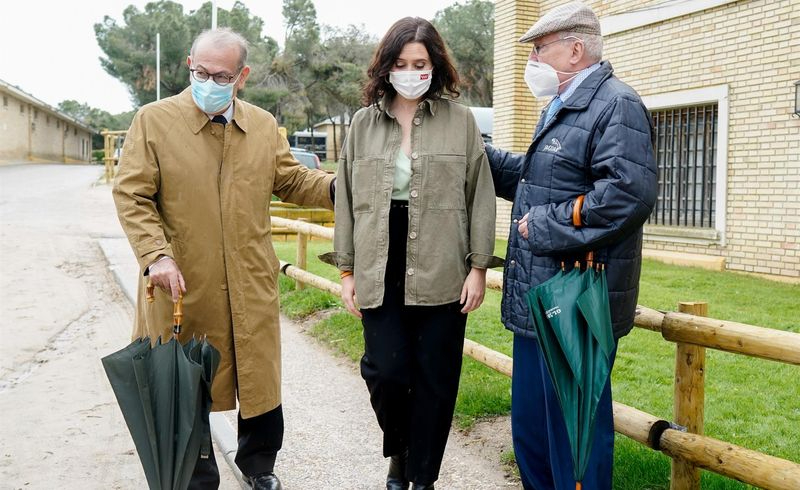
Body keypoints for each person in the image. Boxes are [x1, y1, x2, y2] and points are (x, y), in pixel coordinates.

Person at [112, 28, 335, 490]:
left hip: (250, 275)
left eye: (221, 75)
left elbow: (292, 181)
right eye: (200, 71)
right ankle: (196, 473)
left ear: (243, 76)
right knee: (186, 377)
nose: (208, 81)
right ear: (189, 65)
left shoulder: (262, 125)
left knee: (259, 376)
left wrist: (338, 186)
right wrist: (156, 256)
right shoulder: (153, 121)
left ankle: (260, 466)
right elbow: (132, 194)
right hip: (181, 279)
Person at [321, 16, 502, 490]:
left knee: (436, 381)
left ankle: (421, 477)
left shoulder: (460, 122)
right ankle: (399, 449)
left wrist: (478, 267)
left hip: (443, 262)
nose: (411, 71)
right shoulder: (363, 123)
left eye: (419, 63)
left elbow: (478, 197)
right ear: (386, 67)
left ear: (435, 65)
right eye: (401, 62)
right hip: (379, 259)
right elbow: (349, 203)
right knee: (384, 370)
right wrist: (346, 271)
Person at [485, 2, 657, 489]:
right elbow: (540, 180)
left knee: (575, 446)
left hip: (578, 301)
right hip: (539, 298)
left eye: (540, 49)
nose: (533, 61)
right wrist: (479, 156)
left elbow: (628, 193)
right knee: (535, 438)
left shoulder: (616, 104)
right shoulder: (561, 107)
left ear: (576, 50)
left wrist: (545, 225)